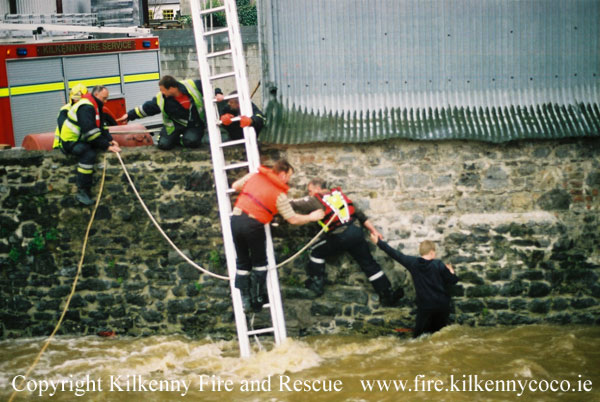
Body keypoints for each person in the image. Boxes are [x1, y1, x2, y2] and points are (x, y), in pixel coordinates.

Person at [289, 178, 403, 307]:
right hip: (357, 232)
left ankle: (316, 285)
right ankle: (387, 295)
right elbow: (360, 215)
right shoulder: (340, 196)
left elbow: (293, 204)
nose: (309, 194)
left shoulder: (316, 200)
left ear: (318, 188)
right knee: (368, 263)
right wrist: (374, 231)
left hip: (341, 236)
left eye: (310, 191)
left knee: (315, 251)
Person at [231, 160, 325, 313]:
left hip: (235, 220)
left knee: (242, 263)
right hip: (253, 225)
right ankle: (257, 300)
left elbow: (235, 186)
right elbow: (292, 219)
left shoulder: (254, 175)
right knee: (260, 263)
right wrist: (311, 217)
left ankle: (245, 301)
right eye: (288, 176)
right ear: (282, 174)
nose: (289, 180)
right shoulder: (279, 195)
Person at [370, 235, 459, 337]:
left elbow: (394, 254)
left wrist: (378, 242)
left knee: (418, 337)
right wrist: (451, 271)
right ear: (431, 252)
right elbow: (453, 281)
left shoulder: (413, 263)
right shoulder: (438, 264)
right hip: (442, 305)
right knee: (439, 335)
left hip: (425, 307)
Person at [57, 85, 121, 206]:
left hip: (79, 139)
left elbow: (101, 127)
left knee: (92, 149)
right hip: (70, 142)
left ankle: (84, 190)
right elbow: (90, 132)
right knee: (89, 154)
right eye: (104, 98)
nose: (106, 101)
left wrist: (110, 140)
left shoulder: (95, 105)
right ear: (96, 95)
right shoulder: (86, 107)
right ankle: (82, 191)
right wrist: (107, 147)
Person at [117, 75, 205, 150]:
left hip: (195, 123)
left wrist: (218, 93)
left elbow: (209, 86)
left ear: (171, 88)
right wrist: (129, 116)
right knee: (164, 145)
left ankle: (185, 138)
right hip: (174, 125)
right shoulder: (162, 98)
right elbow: (147, 108)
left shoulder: (193, 85)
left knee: (191, 142)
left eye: (162, 90)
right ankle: (174, 138)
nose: (161, 92)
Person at [53, 83, 88, 149]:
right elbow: (64, 131)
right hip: (61, 145)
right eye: (76, 98)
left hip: (75, 144)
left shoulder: (84, 109)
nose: (77, 101)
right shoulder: (65, 110)